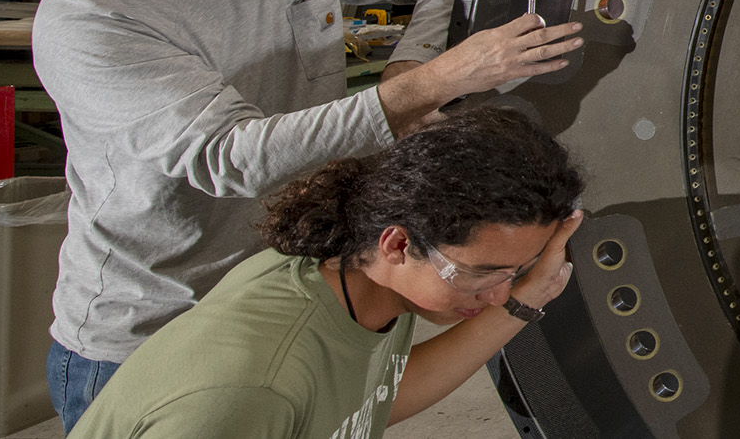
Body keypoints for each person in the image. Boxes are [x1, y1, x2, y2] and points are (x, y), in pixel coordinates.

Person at [32, 0, 585, 431]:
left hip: (297, 294)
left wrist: (412, 61)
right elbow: (231, 157)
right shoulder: (98, 14)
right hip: (162, 325)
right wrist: (426, 86)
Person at [67, 106, 585, 439]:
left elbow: (372, 399)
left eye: (514, 271)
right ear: (399, 243)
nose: (498, 294)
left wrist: (530, 293)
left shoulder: (361, 281)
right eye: (481, 274)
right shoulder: (250, 392)